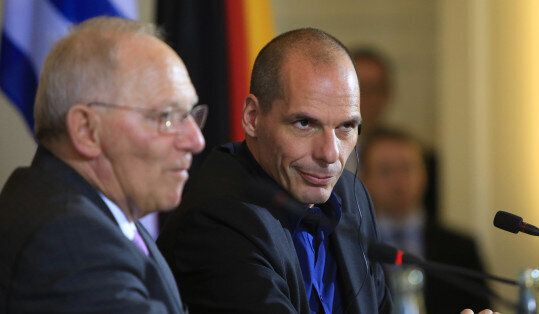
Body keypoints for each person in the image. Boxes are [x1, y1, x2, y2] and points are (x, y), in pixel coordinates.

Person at [157, 28, 391, 313]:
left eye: (346, 127)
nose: (330, 154)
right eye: (304, 124)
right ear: (253, 118)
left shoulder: (352, 196)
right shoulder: (217, 219)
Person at [0, 17, 206, 313]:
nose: (195, 140)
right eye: (167, 117)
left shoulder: (106, 215)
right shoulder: (66, 240)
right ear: (86, 130)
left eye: (190, 114)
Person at [360, 127, 492, 313]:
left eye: (407, 168)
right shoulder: (351, 246)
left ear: (424, 175)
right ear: (365, 179)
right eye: (386, 171)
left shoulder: (460, 247)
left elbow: (482, 306)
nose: (399, 181)